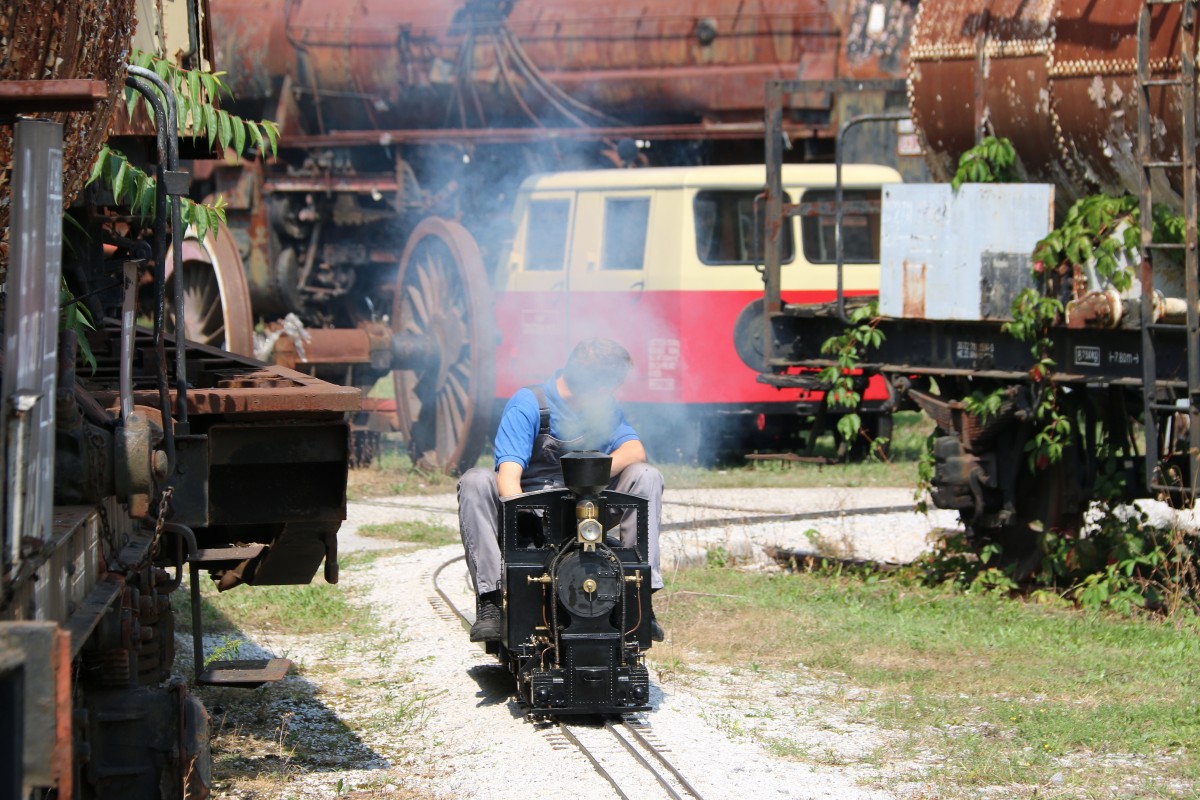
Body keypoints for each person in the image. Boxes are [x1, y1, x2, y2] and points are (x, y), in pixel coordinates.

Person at [458, 338, 665, 643]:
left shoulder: (603, 408)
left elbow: (635, 450)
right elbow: (508, 476)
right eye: (610, 385)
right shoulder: (528, 403)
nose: (612, 393)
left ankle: (639, 599)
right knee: (476, 481)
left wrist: (589, 474)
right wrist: (524, 527)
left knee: (646, 476)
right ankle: (491, 602)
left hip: (588, 506)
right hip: (531, 510)